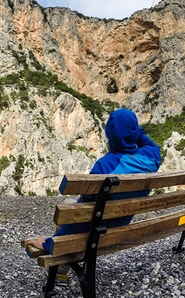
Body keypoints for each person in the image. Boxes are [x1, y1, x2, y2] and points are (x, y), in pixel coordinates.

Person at [27, 108, 161, 285]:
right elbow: (148, 143)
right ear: (134, 132)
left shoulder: (104, 166)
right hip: (122, 225)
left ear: (108, 135)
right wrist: (134, 131)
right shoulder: (151, 157)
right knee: (77, 208)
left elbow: (83, 213)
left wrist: (51, 242)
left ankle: (59, 273)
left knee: (70, 205)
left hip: (97, 231)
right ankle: (60, 271)